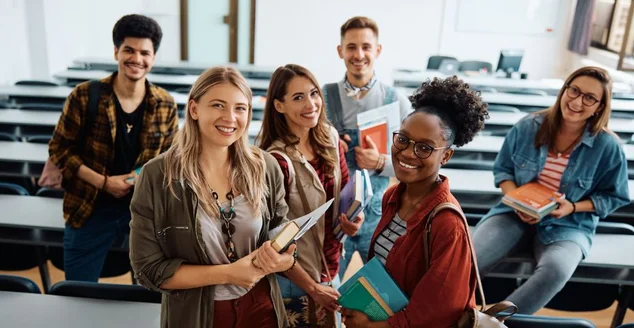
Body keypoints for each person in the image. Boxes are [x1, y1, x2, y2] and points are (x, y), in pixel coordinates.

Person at [130, 66, 299, 328]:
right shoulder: (158, 175)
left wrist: (284, 258)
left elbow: (281, 232)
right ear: (195, 109)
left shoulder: (265, 166)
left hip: (262, 308)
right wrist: (229, 273)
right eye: (218, 105)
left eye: (240, 108)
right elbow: (148, 270)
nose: (230, 117)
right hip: (197, 315)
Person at [472, 66, 630, 314]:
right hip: (513, 213)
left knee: (556, 270)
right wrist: (516, 199)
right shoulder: (528, 126)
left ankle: (497, 322)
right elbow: (503, 170)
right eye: (574, 90)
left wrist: (573, 207)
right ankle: (444, 315)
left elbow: (616, 196)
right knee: (470, 260)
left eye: (589, 98)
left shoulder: (608, 146)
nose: (577, 101)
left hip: (570, 223)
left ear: (599, 106)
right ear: (564, 89)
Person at [341, 76, 488, 327]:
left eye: (425, 148)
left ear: (447, 156)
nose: (408, 152)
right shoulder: (393, 197)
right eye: (403, 139)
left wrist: (370, 326)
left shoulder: (448, 226)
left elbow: (438, 314)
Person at [48, 14, 178, 281]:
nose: (137, 59)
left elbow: (169, 157)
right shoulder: (85, 95)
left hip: (144, 211)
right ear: (116, 51)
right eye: (129, 50)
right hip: (89, 207)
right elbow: (60, 149)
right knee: (78, 290)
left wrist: (134, 178)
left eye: (145, 53)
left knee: (152, 293)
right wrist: (104, 182)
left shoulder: (165, 103)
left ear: (153, 58)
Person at [258, 64, 364, 327]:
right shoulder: (276, 161)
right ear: (279, 106)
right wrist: (313, 287)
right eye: (298, 97)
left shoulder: (329, 137)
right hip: (295, 279)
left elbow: (346, 192)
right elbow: (273, 241)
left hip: (331, 268)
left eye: (314, 93)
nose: (311, 104)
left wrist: (353, 219)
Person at [323, 16, 412, 278]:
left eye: (366, 46)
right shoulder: (322, 97)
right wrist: (329, 148)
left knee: (382, 288)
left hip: (379, 217)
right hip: (333, 216)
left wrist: (380, 163)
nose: (358, 54)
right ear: (340, 51)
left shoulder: (397, 102)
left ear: (378, 50)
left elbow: (412, 165)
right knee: (330, 287)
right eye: (351, 47)